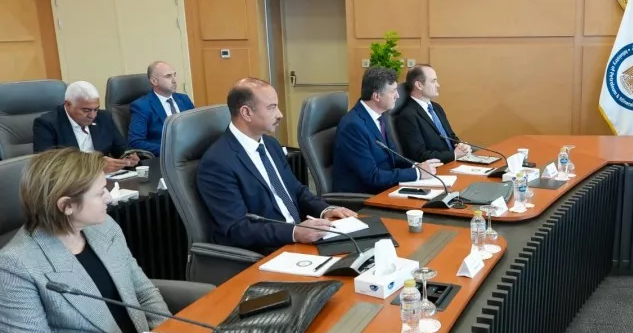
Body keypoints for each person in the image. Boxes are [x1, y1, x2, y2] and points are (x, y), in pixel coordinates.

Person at [0, 148, 169, 333]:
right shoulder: (15, 264)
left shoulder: (104, 226)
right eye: (100, 193)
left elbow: (143, 290)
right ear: (67, 206)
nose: (109, 198)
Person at [196, 77, 356, 253]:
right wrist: (294, 233)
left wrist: (326, 210)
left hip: (299, 238)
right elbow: (238, 228)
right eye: (272, 107)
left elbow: (296, 190)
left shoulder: (270, 144)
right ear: (246, 113)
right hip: (268, 251)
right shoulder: (217, 163)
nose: (280, 114)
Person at [332, 67, 440, 194]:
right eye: (393, 91)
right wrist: (417, 173)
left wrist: (417, 166)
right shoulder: (353, 126)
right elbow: (372, 176)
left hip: (385, 187)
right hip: (364, 195)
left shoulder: (380, 116)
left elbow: (394, 157)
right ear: (377, 96)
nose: (397, 96)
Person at [33, 81, 139, 173]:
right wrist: (95, 166)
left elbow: (120, 147)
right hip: (70, 183)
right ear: (68, 105)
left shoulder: (104, 117)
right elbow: (47, 165)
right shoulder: (47, 124)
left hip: (106, 179)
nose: (93, 116)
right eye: (86, 110)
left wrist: (128, 156)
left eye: (96, 109)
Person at [393, 65, 471, 164]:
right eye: (433, 81)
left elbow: (451, 136)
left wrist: (461, 146)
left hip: (455, 162)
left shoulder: (437, 107)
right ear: (419, 85)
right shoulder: (407, 116)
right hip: (437, 168)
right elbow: (419, 155)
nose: (438, 85)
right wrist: (454, 155)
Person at [128, 61, 195, 156]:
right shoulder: (142, 106)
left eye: (174, 75)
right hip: (166, 157)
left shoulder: (184, 99)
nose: (174, 80)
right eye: (168, 76)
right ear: (154, 81)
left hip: (192, 152)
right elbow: (135, 142)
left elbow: (196, 127)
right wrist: (170, 150)